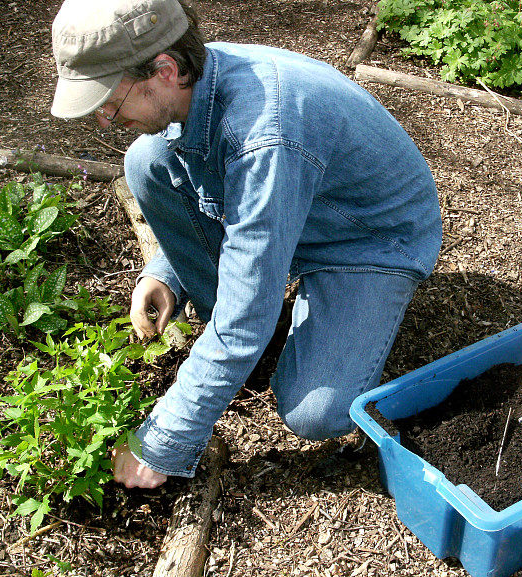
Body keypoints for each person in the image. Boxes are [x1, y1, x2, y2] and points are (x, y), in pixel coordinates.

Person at [50, 0, 442, 488]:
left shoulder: (265, 133)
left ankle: (249, 338)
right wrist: (167, 269)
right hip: (297, 205)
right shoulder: (198, 80)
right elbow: (203, 173)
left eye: (109, 99)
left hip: (366, 239)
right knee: (146, 161)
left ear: (164, 70)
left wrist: (163, 441)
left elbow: (246, 312)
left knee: (315, 414)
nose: (104, 119)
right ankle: (234, 333)